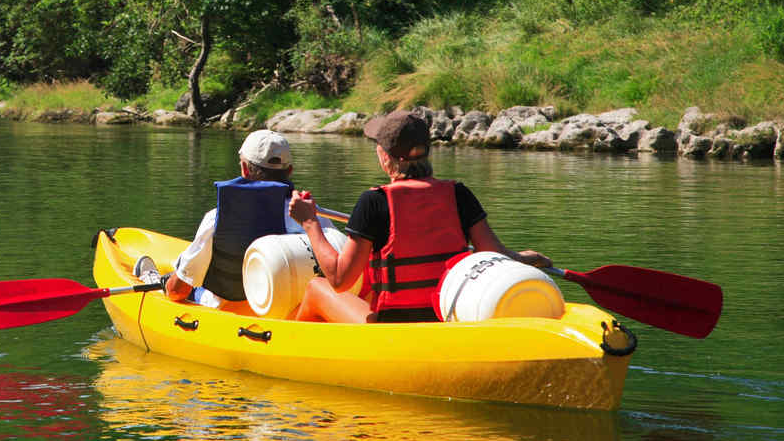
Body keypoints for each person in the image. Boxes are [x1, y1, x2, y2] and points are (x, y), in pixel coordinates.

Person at [287, 109, 551, 323]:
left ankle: (289, 349)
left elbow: (339, 280)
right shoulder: (459, 194)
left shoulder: (374, 202)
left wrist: (310, 222)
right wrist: (526, 259)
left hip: (392, 326)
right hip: (447, 317)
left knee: (317, 288)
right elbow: (494, 256)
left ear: (385, 157)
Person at [164, 129, 336, 312]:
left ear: (245, 169)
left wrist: (168, 285)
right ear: (290, 171)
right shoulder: (315, 218)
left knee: (172, 284)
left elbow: (178, 291)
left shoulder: (216, 218)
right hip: (291, 313)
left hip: (228, 311)